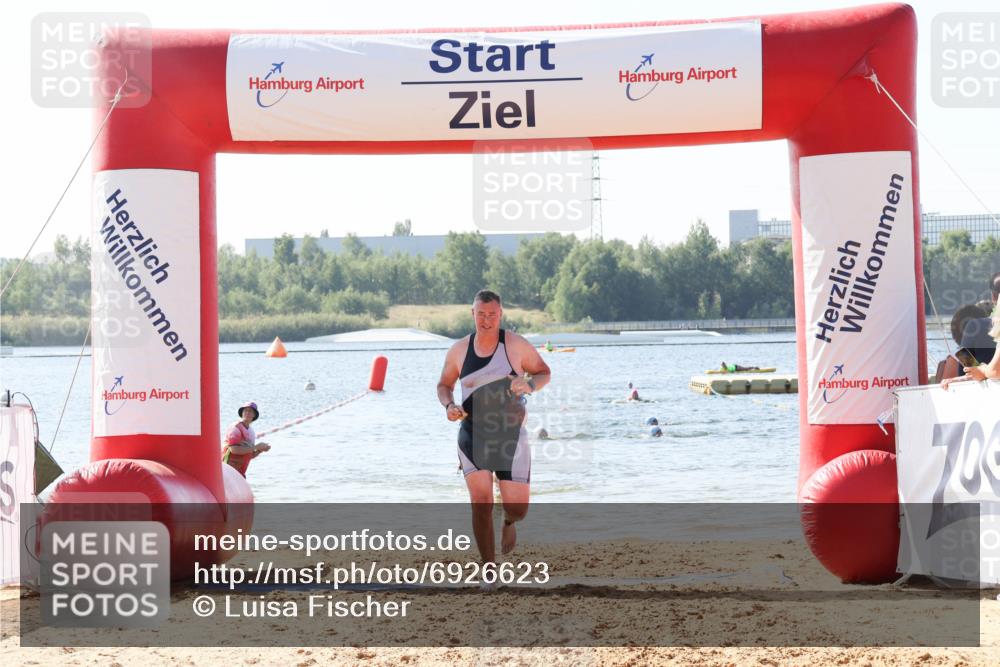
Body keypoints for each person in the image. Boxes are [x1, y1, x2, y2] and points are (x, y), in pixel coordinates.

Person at [437, 290, 551, 583]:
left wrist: (528, 385)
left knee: (518, 508)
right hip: (473, 432)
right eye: (481, 314)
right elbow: (444, 384)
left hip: (510, 435)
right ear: (472, 314)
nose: (486, 320)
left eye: (492, 315)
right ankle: (490, 571)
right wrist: (450, 405)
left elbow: (543, 372)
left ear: (500, 315)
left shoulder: (514, 345)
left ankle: (509, 521)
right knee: (481, 501)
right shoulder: (459, 350)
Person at [222, 401, 270, 477]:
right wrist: (256, 447)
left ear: (254, 415)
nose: (247, 413)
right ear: (242, 413)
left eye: (250, 411)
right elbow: (234, 450)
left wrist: (260, 450)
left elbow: (249, 455)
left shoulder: (251, 432)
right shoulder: (235, 427)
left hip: (241, 473)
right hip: (228, 471)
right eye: (245, 410)